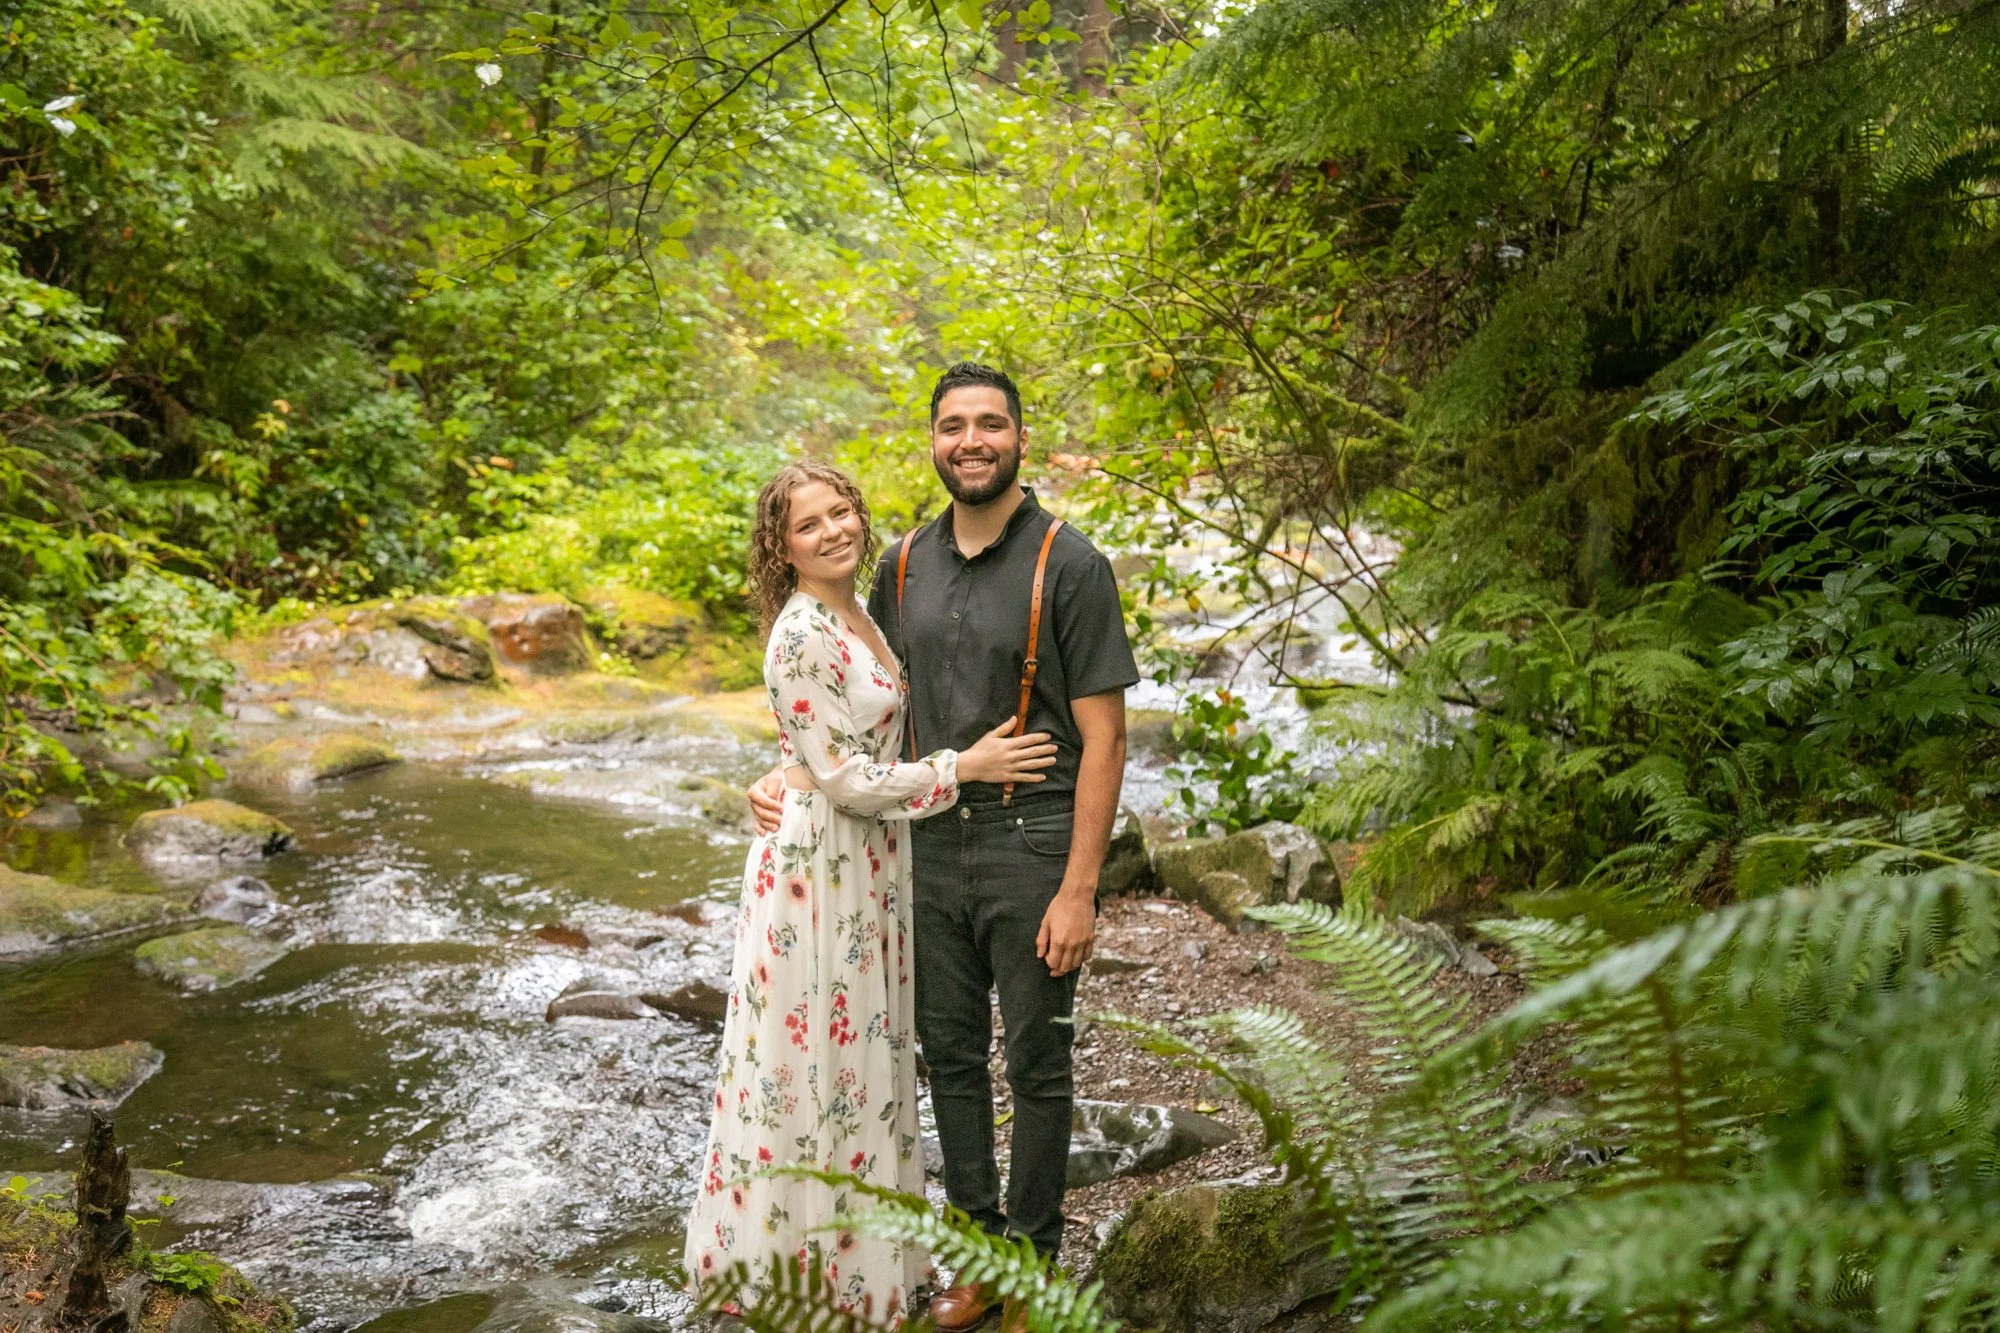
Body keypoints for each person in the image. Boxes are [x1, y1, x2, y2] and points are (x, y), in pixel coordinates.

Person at [748, 364, 1138, 1332]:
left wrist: (1080, 887)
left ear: (1017, 438)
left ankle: (1032, 1254)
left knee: (1037, 1064)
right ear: (932, 440)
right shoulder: (902, 563)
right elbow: (855, 705)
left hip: (1030, 840)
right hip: (916, 846)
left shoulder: (1070, 563)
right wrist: (787, 772)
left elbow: (1106, 737)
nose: (972, 440)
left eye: (990, 425)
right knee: (951, 1057)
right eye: (953, 425)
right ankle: (972, 1250)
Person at [685, 460, 1059, 1325]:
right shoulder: (799, 632)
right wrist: (965, 768)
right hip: (825, 870)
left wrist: (791, 767)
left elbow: (833, 741)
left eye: (842, 510)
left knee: (862, 1065)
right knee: (817, 1067)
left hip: (871, 862)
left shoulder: (863, 604)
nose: (834, 530)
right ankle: (814, 1276)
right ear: (781, 546)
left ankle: (866, 1261)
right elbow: (846, 777)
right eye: (809, 524)